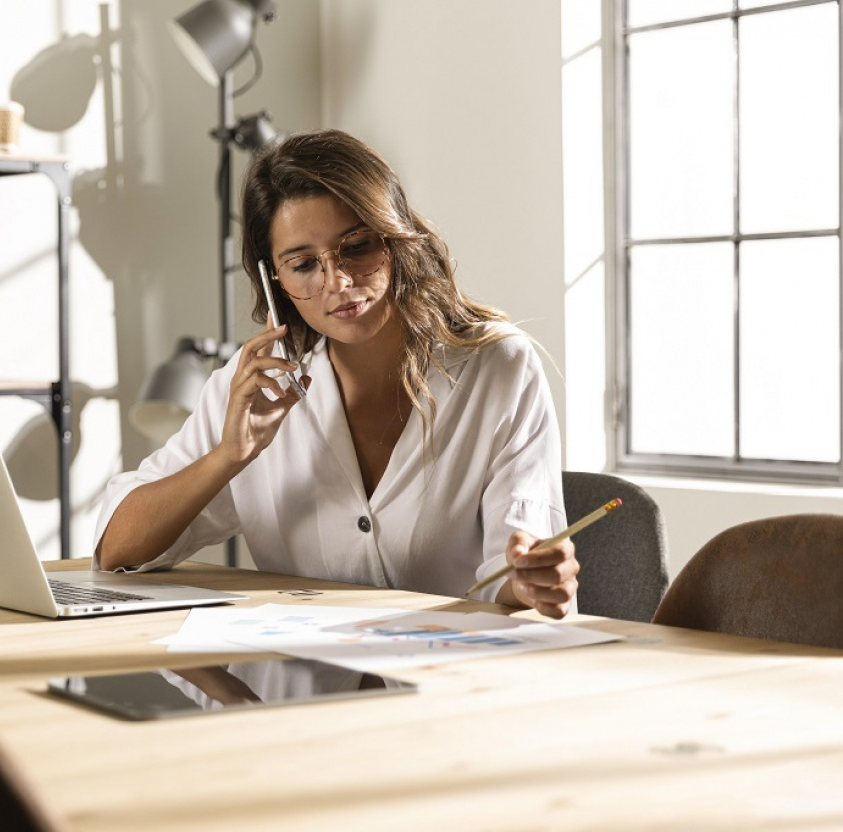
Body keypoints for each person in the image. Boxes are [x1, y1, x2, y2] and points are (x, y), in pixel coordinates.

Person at [94, 129, 578, 619]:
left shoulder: (497, 369)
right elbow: (116, 552)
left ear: (394, 237)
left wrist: (532, 580)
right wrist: (228, 457)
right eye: (303, 264)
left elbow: (516, 571)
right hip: (300, 684)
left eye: (357, 246)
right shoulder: (253, 389)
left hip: (453, 678)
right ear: (275, 280)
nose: (338, 282)